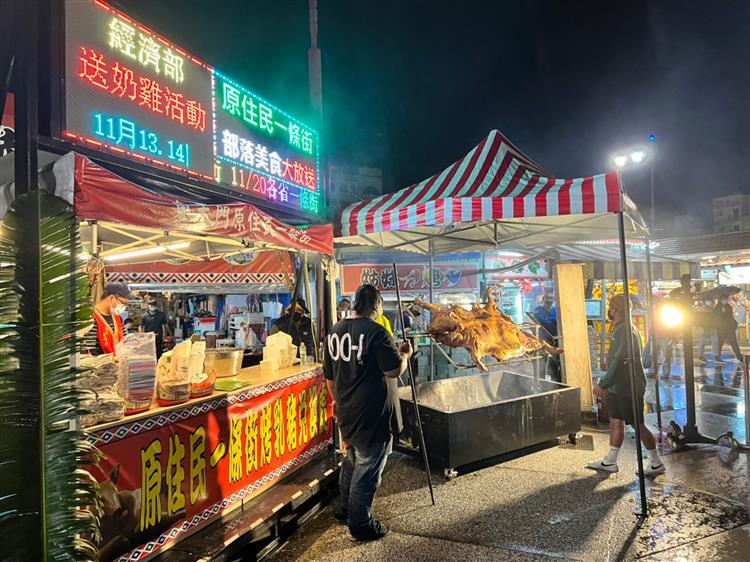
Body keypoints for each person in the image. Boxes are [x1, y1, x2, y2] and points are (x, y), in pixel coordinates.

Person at [323, 284, 413, 541]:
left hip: (347, 411)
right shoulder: (377, 332)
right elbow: (393, 370)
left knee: (353, 459)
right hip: (373, 414)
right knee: (368, 468)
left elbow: (329, 376)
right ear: (376, 305)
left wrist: (340, 402)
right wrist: (405, 354)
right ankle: (361, 523)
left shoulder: (335, 331)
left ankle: (344, 509)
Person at [587, 294, 665, 476]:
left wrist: (603, 383)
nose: (609, 310)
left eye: (611, 307)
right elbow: (617, 358)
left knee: (638, 424)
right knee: (616, 422)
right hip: (619, 387)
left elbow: (621, 360)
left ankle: (656, 462)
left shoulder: (625, 330)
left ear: (615, 309)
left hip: (628, 387)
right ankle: (610, 462)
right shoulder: (622, 328)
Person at [87, 282, 135, 356]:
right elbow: (89, 350)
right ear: (111, 298)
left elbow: (124, 341)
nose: (124, 307)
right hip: (99, 365)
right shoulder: (92, 318)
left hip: (117, 363)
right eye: (122, 303)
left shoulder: (118, 317)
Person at [533, 293, 561, 382]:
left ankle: (554, 385)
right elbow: (542, 322)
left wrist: (551, 320)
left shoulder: (555, 310)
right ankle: (539, 385)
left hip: (555, 341)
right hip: (542, 342)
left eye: (551, 298)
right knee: (541, 366)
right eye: (548, 298)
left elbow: (559, 321)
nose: (549, 300)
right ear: (543, 299)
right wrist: (553, 320)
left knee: (554, 365)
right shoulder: (538, 310)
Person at [714, 297, 742, 364]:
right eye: (724, 299)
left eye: (726, 299)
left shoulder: (729, 307)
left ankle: (739, 357)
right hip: (721, 328)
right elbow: (715, 318)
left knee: (734, 343)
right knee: (720, 343)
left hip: (729, 328)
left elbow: (730, 317)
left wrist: (734, 323)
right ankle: (717, 356)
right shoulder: (717, 308)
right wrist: (722, 312)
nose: (725, 300)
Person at [696, 297, 718, 365]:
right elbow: (698, 319)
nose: (709, 302)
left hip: (712, 328)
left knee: (715, 342)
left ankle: (717, 355)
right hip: (703, 328)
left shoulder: (713, 309)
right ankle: (700, 356)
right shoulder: (701, 309)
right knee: (702, 342)